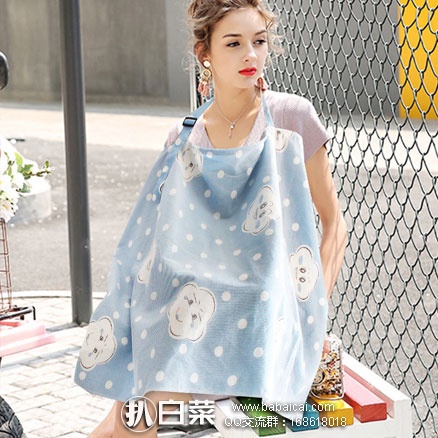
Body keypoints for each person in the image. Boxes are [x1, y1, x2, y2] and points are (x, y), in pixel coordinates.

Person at [75, 1, 347, 436]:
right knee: (133, 415)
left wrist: (311, 310)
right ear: (205, 53)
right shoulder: (184, 136)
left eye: (259, 42)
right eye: (234, 44)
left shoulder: (292, 118)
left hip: (259, 313)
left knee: (136, 414)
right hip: (188, 315)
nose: (251, 55)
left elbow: (333, 224)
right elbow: (163, 241)